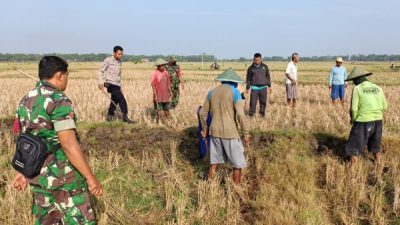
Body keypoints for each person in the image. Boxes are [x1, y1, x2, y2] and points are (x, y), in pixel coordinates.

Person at [12, 56, 103, 224]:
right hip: (64, 179)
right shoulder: (59, 100)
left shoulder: (26, 99)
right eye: (67, 76)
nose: (67, 80)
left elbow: (26, 141)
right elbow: (68, 144)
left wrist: (24, 172)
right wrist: (91, 178)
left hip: (38, 178)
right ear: (60, 75)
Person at [200, 68, 250, 184]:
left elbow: (202, 113)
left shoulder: (211, 92)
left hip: (214, 132)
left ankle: (209, 187)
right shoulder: (235, 92)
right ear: (235, 82)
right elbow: (241, 115)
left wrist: (204, 129)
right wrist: (246, 133)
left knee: (214, 163)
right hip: (230, 133)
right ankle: (236, 189)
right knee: (237, 165)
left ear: (222, 81)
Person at [344, 67, 388, 166]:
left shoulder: (357, 88)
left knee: (354, 144)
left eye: (354, 80)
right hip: (378, 121)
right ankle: (379, 164)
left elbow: (354, 108)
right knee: (375, 144)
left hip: (363, 121)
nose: (354, 83)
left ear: (358, 79)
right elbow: (385, 106)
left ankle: (352, 167)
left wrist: (353, 119)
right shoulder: (377, 88)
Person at [97, 45, 134, 123]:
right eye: (119, 54)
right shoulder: (108, 60)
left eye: (121, 54)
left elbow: (118, 76)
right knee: (121, 99)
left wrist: (120, 86)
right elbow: (100, 71)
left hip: (117, 85)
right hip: (110, 84)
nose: (120, 56)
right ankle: (125, 117)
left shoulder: (120, 62)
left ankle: (109, 116)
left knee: (115, 100)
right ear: (114, 53)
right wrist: (100, 82)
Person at [245, 53, 271, 117]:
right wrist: (247, 88)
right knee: (252, 102)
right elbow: (248, 79)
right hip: (254, 87)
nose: (257, 61)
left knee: (263, 102)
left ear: (261, 59)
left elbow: (268, 77)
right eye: (255, 60)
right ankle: (251, 115)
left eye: (258, 60)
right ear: (253, 59)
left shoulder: (265, 67)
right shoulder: (250, 68)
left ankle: (262, 114)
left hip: (263, 87)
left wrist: (269, 86)